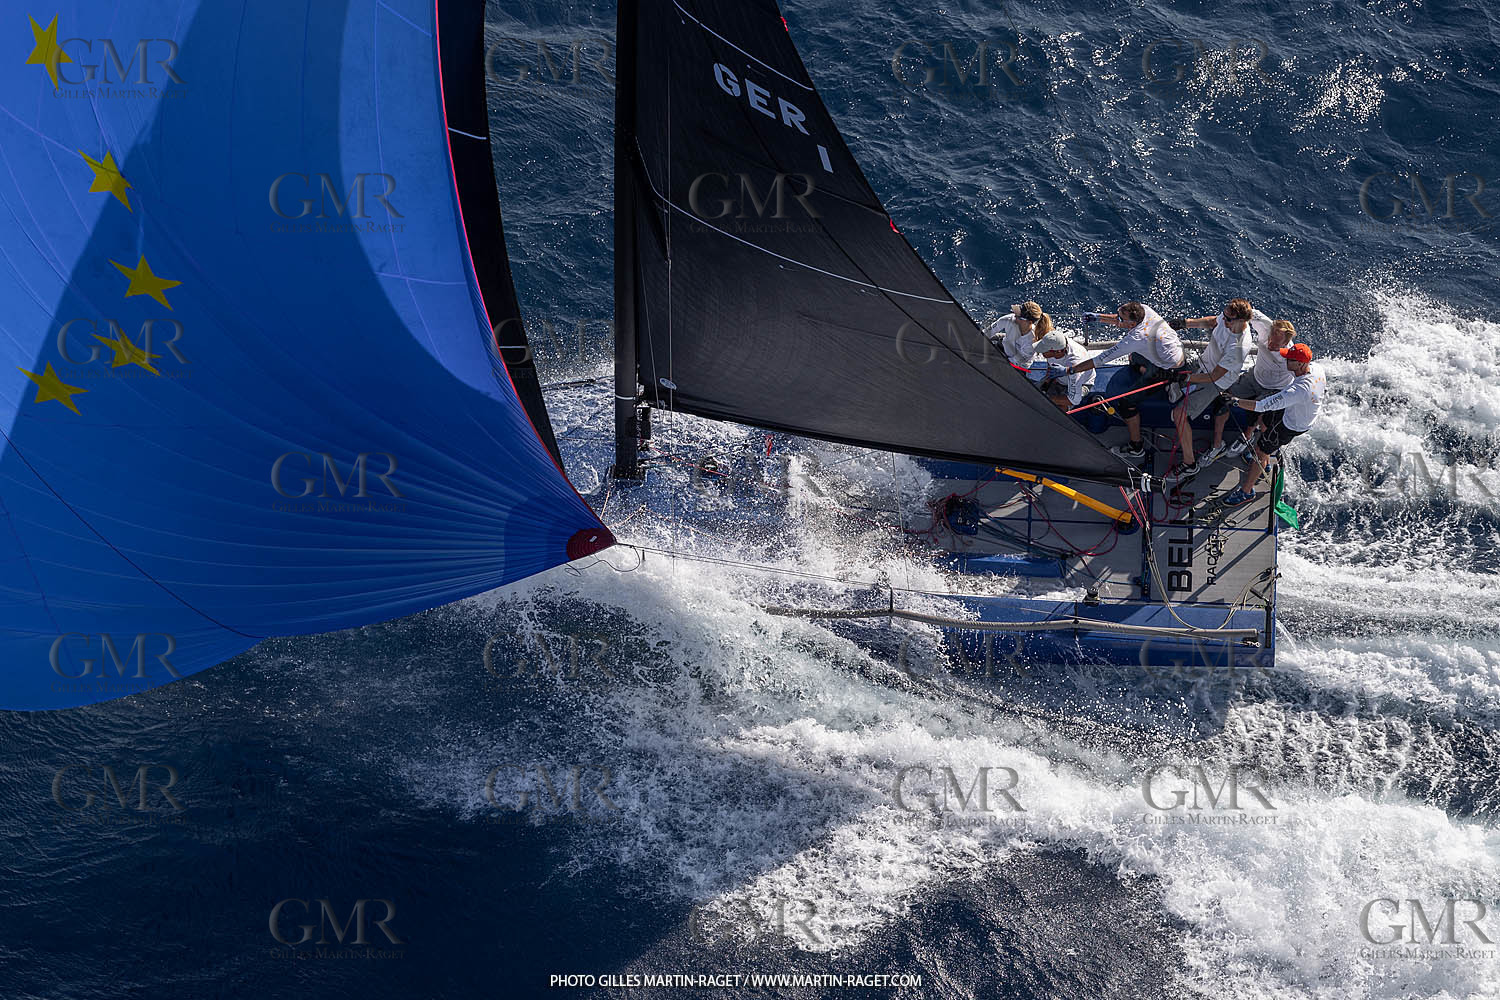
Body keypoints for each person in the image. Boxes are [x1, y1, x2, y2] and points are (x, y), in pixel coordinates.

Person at [1065, 301, 1186, 459]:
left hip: (1167, 370)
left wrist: (1071, 369)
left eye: (1121, 319)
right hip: (1176, 353)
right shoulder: (1145, 310)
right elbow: (1119, 318)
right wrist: (1098, 318)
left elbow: (1100, 359)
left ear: (1132, 324)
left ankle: (1136, 447)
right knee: (1134, 357)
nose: (1117, 320)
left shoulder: (1136, 338)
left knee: (1126, 404)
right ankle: (1148, 371)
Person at [1166, 298, 1268, 476]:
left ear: (1241, 321)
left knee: (1178, 414)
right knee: (1169, 361)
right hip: (1202, 363)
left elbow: (1214, 376)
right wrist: (1185, 323)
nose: (1224, 320)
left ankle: (1189, 464)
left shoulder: (1238, 347)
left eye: (1228, 319)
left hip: (1216, 381)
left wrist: (1187, 379)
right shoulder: (1227, 317)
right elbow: (1212, 321)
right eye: (1225, 315)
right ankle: (1178, 387)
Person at [1222, 343, 1325, 506]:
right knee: (1264, 419)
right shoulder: (1317, 368)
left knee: (1260, 450)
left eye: (1289, 359)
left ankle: (1247, 491)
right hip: (1292, 411)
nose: (1285, 360)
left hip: (1291, 425)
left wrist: (1235, 402)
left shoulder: (1298, 390)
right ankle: (1265, 461)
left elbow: (1262, 405)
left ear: (1300, 364)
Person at [1204, 318, 1297, 464]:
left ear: (1286, 344)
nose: (1271, 346)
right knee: (1224, 398)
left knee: (1259, 410)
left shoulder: (1291, 357)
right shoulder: (1265, 327)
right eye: (1271, 341)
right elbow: (1247, 313)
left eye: (1277, 345)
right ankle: (1217, 445)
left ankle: (1247, 438)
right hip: (1254, 378)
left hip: (1275, 388)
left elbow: (1300, 380)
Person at [985, 301, 1054, 379]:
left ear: (1030, 322)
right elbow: (987, 332)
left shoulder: (1032, 342)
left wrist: (995, 357)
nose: (1015, 317)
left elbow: (1015, 361)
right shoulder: (1009, 319)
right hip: (1005, 345)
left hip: (1017, 365)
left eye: (1019, 317)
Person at [1033, 330, 1096, 409]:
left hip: (1081, 383)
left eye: (1044, 350)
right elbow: (1050, 365)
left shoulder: (1075, 362)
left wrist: (1048, 399)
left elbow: (1073, 400)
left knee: (1058, 409)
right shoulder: (1058, 341)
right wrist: (1046, 384)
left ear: (1057, 352)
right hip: (1059, 379)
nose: (1041, 352)